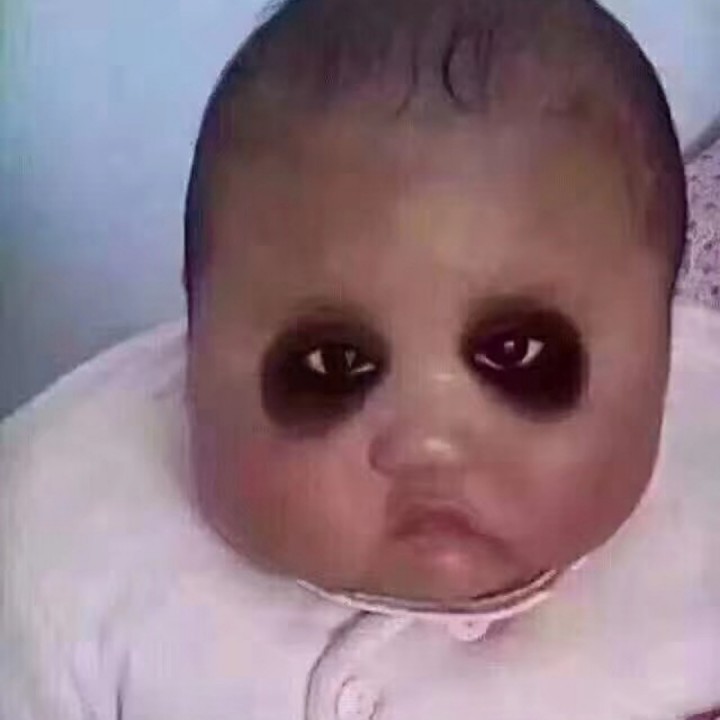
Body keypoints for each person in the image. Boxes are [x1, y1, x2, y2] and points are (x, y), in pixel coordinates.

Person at [2, 0, 720, 718]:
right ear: (196, 344)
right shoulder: (64, 539)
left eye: (518, 353)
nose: (428, 445)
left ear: (662, 345)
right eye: (332, 364)